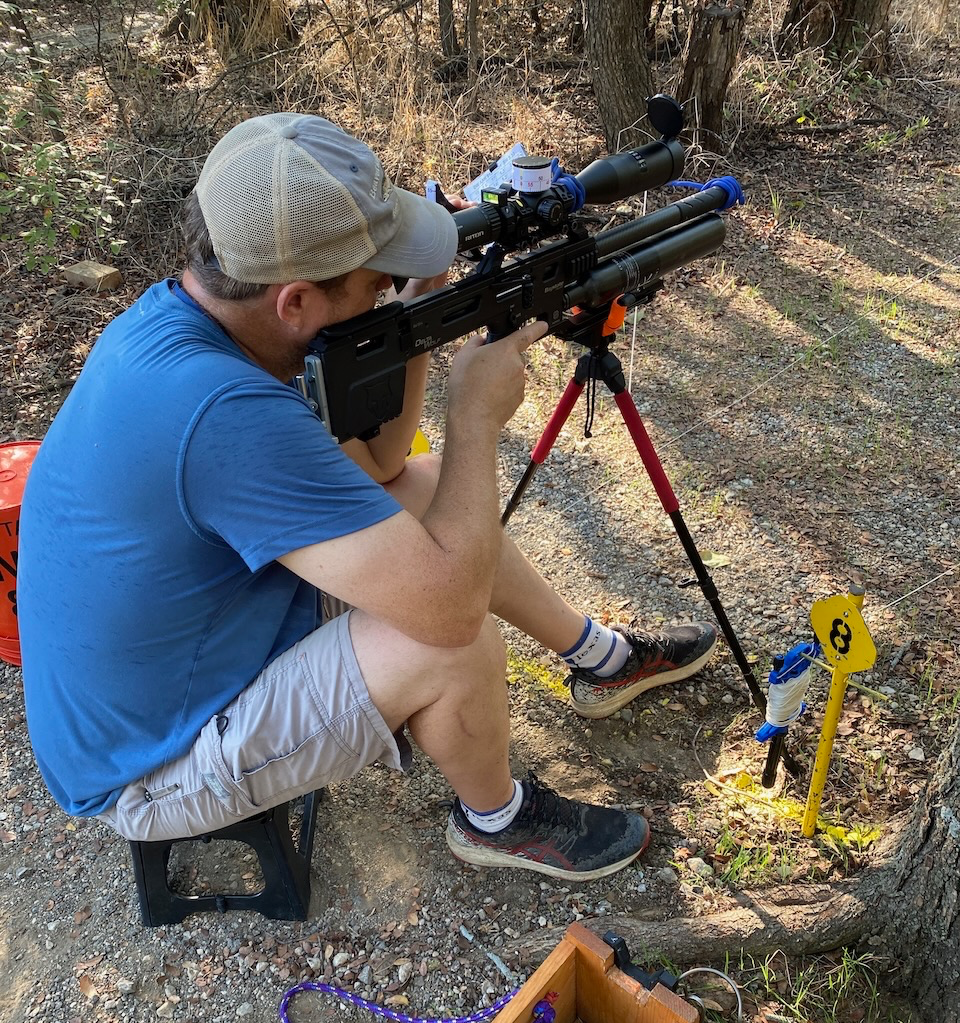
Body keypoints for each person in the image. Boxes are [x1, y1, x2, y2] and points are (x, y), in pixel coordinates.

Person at [17, 113, 717, 882]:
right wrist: (475, 416)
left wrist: (418, 315)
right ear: (295, 304)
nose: (386, 290)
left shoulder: (189, 321)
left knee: (420, 485)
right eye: (375, 281)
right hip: (149, 765)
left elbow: (381, 462)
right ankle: (498, 818)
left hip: (170, 666)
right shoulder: (226, 414)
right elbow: (449, 605)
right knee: (451, 637)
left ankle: (600, 658)